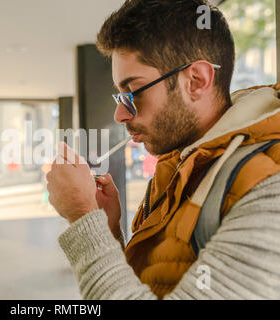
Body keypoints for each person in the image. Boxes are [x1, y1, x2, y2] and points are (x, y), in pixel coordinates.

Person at [46, 0, 280, 299]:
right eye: (122, 97)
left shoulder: (270, 188)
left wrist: (82, 216)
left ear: (196, 80)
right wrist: (108, 231)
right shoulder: (179, 165)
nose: (121, 115)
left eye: (134, 92)